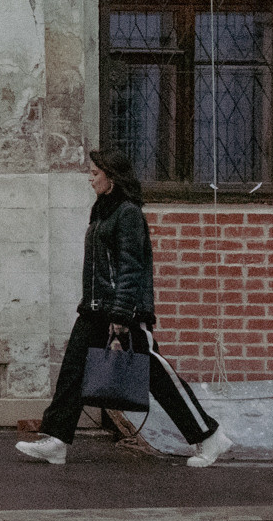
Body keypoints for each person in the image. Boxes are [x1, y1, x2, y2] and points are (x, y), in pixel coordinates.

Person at [16, 148, 234, 468]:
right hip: (94, 309)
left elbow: (131, 268)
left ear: (113, 177)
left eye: (95, 173)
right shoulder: (103, 211)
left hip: (124, 311)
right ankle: (57, 441)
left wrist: (120, 314)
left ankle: (209, 435)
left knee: (157, 376)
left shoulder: (128, 213)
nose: (90, 179)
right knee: (73, 371)